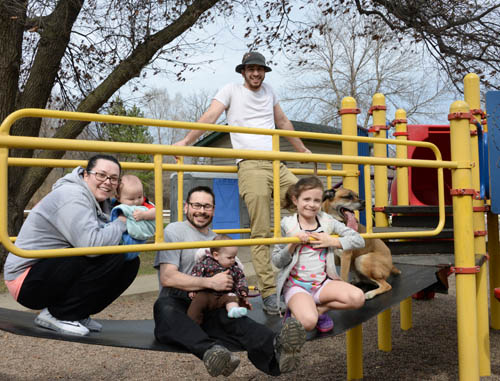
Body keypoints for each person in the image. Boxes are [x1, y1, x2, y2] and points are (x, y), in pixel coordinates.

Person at [174, 51, 311, 315]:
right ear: (243, 71)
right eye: (251, 69)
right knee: (260, 231)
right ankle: (270, 293)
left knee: (305, 201)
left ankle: (304, 276)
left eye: (260, 69)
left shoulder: (269, 91)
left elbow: (282, 121)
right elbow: (211, 114)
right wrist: (186, 142)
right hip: (250, 164)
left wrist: (301, 149)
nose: (256, 74)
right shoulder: (231, 90)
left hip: (276, 161)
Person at [153, 186, 306, 377]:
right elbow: (167, 277)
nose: (201, 211)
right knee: (164, 309)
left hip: (212, 301)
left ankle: (278, 354)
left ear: (214, 210)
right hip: (178, 299)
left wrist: (237, 294)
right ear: (186, 207)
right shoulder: (175, 231)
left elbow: (232, 273)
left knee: (237, 321)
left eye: (207, 206)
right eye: (196, 205)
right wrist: (209, 283)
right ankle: (211, 352)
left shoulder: (217, 240)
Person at [3, 154, 139, 336]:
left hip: (49, 269)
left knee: (130, 261)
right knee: (112, 254)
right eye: (101, 175)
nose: (107, 182)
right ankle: (57, 315)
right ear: (86, 175)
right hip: (26, 279)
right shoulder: (71, 195)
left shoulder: (102, 201)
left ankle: (77, 312)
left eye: (113, 178)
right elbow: (91, 245)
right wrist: (122, 221)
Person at [272, 177, 365, 333]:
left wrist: (333, 241)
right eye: (306, 199)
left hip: (321, 284)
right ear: (295, 200)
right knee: (308, 323)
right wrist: (292, 244)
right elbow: (277, 261)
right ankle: (299, 310)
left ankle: (320, 310)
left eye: (316, 200)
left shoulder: (327, 221)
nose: (312, 204)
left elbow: (358, 240)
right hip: (297, 286)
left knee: (358, 298)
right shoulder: (287, 224)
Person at [187, 234, 250, 325]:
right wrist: (193, 290)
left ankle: (233, 310)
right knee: (198, 301)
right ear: (216, 255)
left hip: (224, 296)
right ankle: (193, 322)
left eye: (234, 257)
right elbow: (196, 275)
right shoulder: (205, 263)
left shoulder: (234, 268)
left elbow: (241, 279)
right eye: (230, 257)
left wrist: (243, 290)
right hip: (208, 294)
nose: (233, 260)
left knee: (232, 297)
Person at [110, 174, 156, 261]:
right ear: (118, 198)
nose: (136, 201)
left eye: (140, 197)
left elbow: (155, 212)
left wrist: (144, 215)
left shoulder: (144, 204)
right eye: (131, 199)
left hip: (134, 239)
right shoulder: (114, 204)